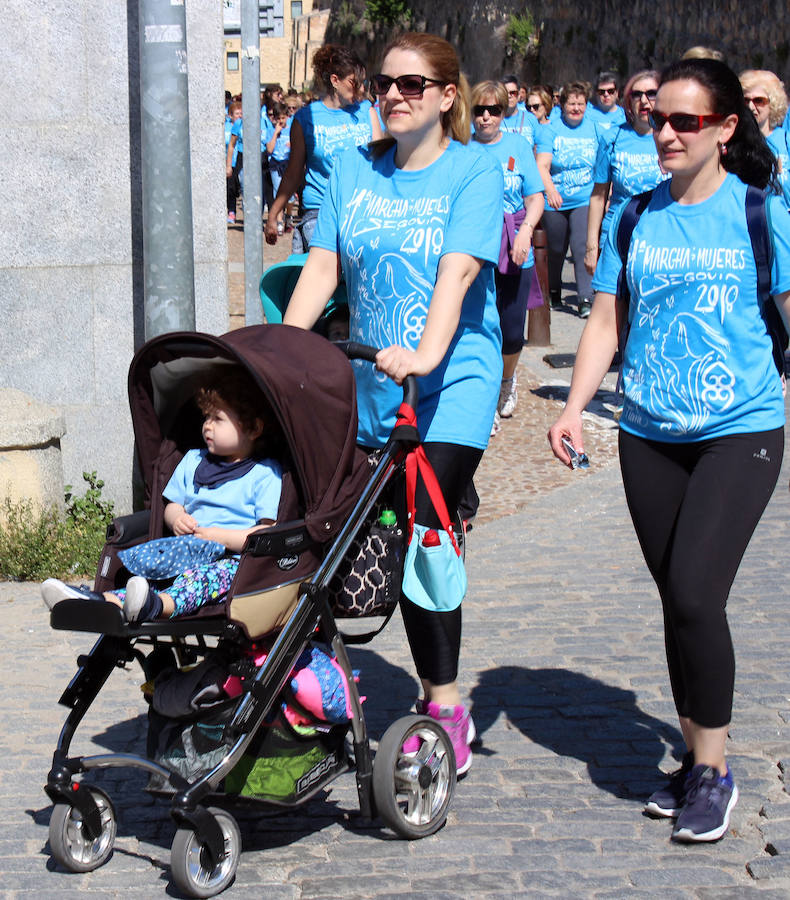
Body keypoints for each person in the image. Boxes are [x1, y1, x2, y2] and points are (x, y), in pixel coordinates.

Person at [548, 58, 790, 843]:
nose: (666, 133)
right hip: (648, 436)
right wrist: (576, 408)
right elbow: (607, 321)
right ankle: (693, 755)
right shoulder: (634, 216)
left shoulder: (762, 214)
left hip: (741, 429)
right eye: (659, 118)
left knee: (694, 592)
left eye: (687, 121)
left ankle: (715, 769)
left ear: (726, 130)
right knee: (676, 604)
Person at [281, 32, 504, 774]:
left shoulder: (473, 170)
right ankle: (308, 680)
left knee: (421, 525)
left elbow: (460, 270)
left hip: (451, 383)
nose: (394, 96)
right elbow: (322, 268)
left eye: (412, 85)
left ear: (447, 95)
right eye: (385, 84)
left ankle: (444, 705)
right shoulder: (353, 167)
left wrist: (431, 352)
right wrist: (281, 350)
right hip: (377, 387)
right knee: (340, 523)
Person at [42, 368, 283, 623]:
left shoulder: (265, 473)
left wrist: (217, 536)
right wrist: (176, 517)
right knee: (149, 580)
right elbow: (171, 505)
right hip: (186, 554)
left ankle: (156, 606)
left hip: (235, 564)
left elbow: (266, 531)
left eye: (218, 419)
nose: (207, 426)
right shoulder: (193, 460)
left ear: (254, 428)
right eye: (206, 417)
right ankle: (96, 602)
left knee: (197, 581)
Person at [471, 80, 544, 433]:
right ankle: (483, 400)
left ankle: (506, 380)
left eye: (493, 110)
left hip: (515, 240)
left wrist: (527, 231)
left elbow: (535, 197)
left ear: (504, 111)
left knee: (512, 329)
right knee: (478, 325)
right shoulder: (461, 147)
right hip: (476, 244)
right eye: (479, 111)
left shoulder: (518, 146)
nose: (486, 117)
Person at [264, 45, 383, 252]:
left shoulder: (367, 112)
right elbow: (293, 173)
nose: (361, 89)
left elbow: (381, 164)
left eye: (363, 83)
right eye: (354, 82)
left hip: (362, 209)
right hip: (320, 211)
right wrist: (273, 214)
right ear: (335, 80)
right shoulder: (306, 118)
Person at [585, 69, 668, 276]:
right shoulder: (612, 137)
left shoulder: (672, 136)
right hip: (617, 235)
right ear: (628, 100)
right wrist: (591, 246)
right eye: (636, 94)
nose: (644, 100)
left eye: (651, 93)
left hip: (660, 237)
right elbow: (598, 196)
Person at [536, 80, 600, 316]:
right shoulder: (550, 129)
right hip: (556, 198)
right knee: (555, 248)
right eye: (571, 103)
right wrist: (551, 191)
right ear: (562, 105)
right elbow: (542, 165)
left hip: (584, 197)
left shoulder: (594, 128)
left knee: (582, 245)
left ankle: (585, 297)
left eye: (580, 103)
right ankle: (554, 290)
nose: (576, 108)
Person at [739, 69, 790, 208]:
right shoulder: (735, 144)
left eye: (759, 101)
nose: (751, 106)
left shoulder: (786, 141)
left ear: (773, 103)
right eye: (746, 100)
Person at [500, 73, 536, 147]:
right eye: (505, 93)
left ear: (519, 94)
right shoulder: (494, 119)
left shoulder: (531, 118)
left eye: (513, 93)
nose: (509, 96)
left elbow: (540, 145)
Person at [225, 100, 243, 224]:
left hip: (241, 160)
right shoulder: (226, 127)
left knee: (240, 187)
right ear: (231, 115)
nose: (239, 116)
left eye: (241, 113)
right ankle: (231, 211)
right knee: (230, 188)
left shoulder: (243, 126)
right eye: (237, 113)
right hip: (231, 161)